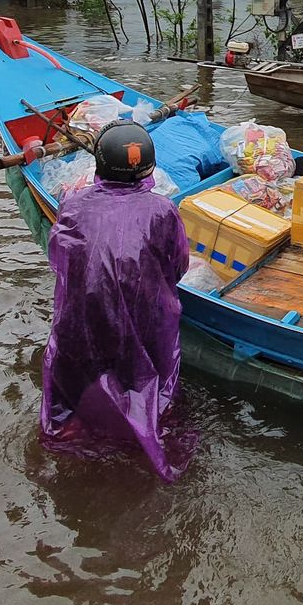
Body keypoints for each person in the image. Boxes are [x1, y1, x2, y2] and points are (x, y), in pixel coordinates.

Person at [41, 121, 189, 481]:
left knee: (77, 381)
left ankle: (76, 434)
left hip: (80, 324)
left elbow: (58, 258)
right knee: (148, 375)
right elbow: (178, 267)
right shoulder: (162, 210)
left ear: (99, 166)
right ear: (149, 170)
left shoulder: (73, 204)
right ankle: (142, 430)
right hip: (142, 325)